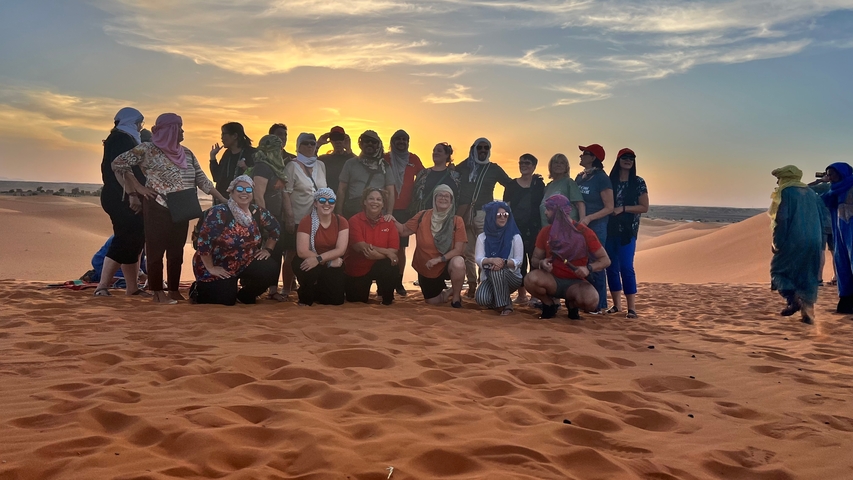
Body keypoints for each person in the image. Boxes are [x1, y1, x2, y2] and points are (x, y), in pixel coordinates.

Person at [113, 113, 227, 304]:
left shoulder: (187, 153)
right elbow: (118, 164)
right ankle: (157, 292)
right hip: (158, 205)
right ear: (170, 130)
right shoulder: (147, 149)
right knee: (155, 250)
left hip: (183, 206)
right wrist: (138, 188)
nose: (182, 131)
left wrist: (223, 199)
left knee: (177, 251)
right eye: (179, 128)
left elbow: (202, 179)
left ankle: (173, 290)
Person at [191, 175, 281, 305]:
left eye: (248, 190)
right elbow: (203, 242)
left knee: (270, 268)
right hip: (218, 263)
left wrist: (268, 249)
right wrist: (211, 268)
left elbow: (276, 229)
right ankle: (197, 290)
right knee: (226, 300)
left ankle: (245, 295)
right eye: (239, 189)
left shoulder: (257, 212)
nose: (244, 193)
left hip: (245, 261)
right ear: (231, 192)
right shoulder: (219, 213)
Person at [525, 194, 611, 319]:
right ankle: (549, 304)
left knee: (591, 301)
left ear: (558, 211)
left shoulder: (584, 232)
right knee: (530, 279)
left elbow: (605, 260)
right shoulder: (545, 232)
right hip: (552, 280)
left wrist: (588, 268)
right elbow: (535, 259)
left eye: (549, 209)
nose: (545, 212)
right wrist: (541, 263)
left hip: (576, 283)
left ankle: (572, 305)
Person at [95, 107, 149, 297]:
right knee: (124, 239)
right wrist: (133, 195)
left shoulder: (127, 137)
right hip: (121, 197)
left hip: (125, 196)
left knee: (134, 241)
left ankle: (132, 288)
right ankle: (102, 286)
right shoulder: (121, 138)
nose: (140, 126)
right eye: (138, 122)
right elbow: (120, 169)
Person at [456, 138, 512, 298]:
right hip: (465, 213)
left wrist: (504, 206)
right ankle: (472, 284)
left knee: (485, 252)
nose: (482, 150)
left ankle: (483, 284)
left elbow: (510, 184)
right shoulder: (464, 165)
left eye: (486, 148)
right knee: (466, 252)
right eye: (479, 147)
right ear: (473, 148)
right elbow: (452, 177)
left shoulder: (493, 168)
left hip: (485, 214)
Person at [769, 165, 826, 324]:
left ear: (785, 178)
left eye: (779, 178)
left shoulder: (785, 192)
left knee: (778, 271)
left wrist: (777, 243)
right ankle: (808, 314)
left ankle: (792, 300)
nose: (778, 181)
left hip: (793, 240)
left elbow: (781, 219)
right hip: (814, 240)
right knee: (808, 275)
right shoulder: (811, 193)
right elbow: (821, 217)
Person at [396, 185, 467, 307]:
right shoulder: (422, 216)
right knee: (432, 302)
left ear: (451, 200)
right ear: (434, 198)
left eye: (447, 196)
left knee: (458, 262)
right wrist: (390, 218)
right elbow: (403, 230)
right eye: (440, 195)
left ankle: (456, 297)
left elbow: (458, 250)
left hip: (446, 262)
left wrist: (439, 259)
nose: (443, 198)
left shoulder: (457, 220)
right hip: (427, 266)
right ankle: (448, 293)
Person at [282, 133, 328, 299]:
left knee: (313, 251)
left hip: (318, 219)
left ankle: (309, 285)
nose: (309, 146)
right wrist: (288, 216)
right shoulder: (291, 166)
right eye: (306, 143)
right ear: (299, 146)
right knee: (292, 253)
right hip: (297, 218)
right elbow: (286, 193)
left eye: (312, 144)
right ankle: (286, 288)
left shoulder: (321, 165)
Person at [604, 148, 649, 319]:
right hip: (610, 229)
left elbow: (644, 207)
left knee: (626, 267)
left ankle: (632, 308)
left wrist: (622, 209)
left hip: (628, 231)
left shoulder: (638, 182)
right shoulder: (610, 181)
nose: (628, 160)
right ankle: (616, 306)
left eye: (631, 158)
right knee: (611, 267)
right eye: (624, 157)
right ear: (618, 160)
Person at [384, 129, 424, 297]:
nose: (401, 142)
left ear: (408, 142)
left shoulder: (413, 159)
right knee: (385, 246)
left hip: (405, 211)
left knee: (401, 249)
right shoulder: (385, 158)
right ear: (392, 141)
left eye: (404, 139)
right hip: (385, 210)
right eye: (398, 139)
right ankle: (385, 281)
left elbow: (425, 176)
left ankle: (398, 282)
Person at [292, 188, 349, 306]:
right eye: (322, 200)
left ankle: (320, 290)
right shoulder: (306, 221)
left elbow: (341, 249)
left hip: (329, 260)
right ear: (315, 203)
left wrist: (319, 259)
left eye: (331, 201)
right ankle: (305, 294)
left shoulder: (341, 221)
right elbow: (302, 251)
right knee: (309, 270)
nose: (327, 204)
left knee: (336, 300)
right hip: (311, 259)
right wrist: (325, 262)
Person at [249, 134, 289, 301]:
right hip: (264, 220)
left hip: (276, 217)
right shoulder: (262, 167)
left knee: (276, 252)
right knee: (263, 254)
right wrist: (265, 222)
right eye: (276, 148)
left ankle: (273, 290)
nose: (279, 152)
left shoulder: (274, 167)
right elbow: (258, 196)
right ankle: (254, 289)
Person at [575, 144, 614, 313]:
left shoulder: (602, 178)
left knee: (596, 263)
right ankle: (586, 302)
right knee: (582, 262)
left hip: (596, 226)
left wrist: (589, 218)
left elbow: (609, 207)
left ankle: (599, 305)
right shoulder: (580, 177)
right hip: (580, 226)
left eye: (585, 154)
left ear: (593, 158)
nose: (581, 156)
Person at [345, 188, 400, 305]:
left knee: (391, 265)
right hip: (358, 268)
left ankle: (386, 298)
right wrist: (386, 253)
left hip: (379, 265)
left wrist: (378, 256)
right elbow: (360, 246)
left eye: (379, 199)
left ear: (383, 204)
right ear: (364, 202)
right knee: (357, 301)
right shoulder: (354, 220)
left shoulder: (389, 222)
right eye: (371, 198)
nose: (375, 202)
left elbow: (394, 249)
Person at [503, 153, 545, 305]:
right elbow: (505, 207)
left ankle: (534, 296)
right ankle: (522, 296)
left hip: (535, 228)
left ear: (534, 166)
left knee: (535, 262)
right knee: (519, 263)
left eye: (527, 163)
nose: (524, 165)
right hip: (516, 228)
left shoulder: (539, 184)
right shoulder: (511, 185)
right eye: (521, 163)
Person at [474, 201, 524, 315]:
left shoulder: (515, 237)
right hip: (490, 278)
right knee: (482, 299)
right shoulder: (483, 237)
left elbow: (519, 261)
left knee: (497, 270)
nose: (503, 218)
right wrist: (491, 260)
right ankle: (502, 298)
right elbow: (478, 259)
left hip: (512, 277)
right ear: (491, 217)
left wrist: (503, 262)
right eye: (498, 215)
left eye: (505, 215)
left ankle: (506, 305)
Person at [338, 130, 396, 219]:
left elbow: (390, 192)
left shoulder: (385, 166)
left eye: (373, 142)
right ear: (361, 144)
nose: (370, 143)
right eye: (366, 141)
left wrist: (389, 213)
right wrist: (339, 213)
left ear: (378, 145)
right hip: (353, 212)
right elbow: (342, 189)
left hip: (377, 212)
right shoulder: (350, 164)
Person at [820, 163, 853, 313]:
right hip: (841, 235)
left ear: (842, 174)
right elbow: (818, 200)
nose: (830, 177)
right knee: (843, 267)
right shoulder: (833, 191)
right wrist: (819, 182)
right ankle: (846, 302)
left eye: (832, 174)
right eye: (829, 174)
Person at [409, 142, 461, 214]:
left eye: (439, 151)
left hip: (446, 219)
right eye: (434, 151)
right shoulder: (423, 174)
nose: (435, 153)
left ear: (447, 155)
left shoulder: (455, 176)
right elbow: (414, 197)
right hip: (424, 218)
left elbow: (458, 198)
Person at [210, 122, 255, 202]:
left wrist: (246, 168)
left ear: (235, 136)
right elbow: (217, 177)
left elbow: (259, 178)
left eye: (224, 134)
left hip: (243, 203)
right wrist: (213, 157)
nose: (221, 138)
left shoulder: (251, 153)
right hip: (223, 201)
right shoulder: (227, 154)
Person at [540, 153, 585, 225]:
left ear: (566, 167)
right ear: (551, 166)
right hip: (548, 228)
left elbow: (579, 203)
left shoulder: (569, 182)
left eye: (562, 163)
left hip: (566, 228)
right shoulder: (548, 186)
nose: (558, 165)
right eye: (556, 162)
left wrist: (582, 221)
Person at [316, 126, 354, 196]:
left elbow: (358, 165)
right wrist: (318, 144)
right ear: (331, 141)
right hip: (328, 199)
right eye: (334, 138)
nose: (338, 142)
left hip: (347, 199)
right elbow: (309, 162)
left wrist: (349, 149)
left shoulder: (351, 159)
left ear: (344, 140)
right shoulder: (323, 159)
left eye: (340, 138)